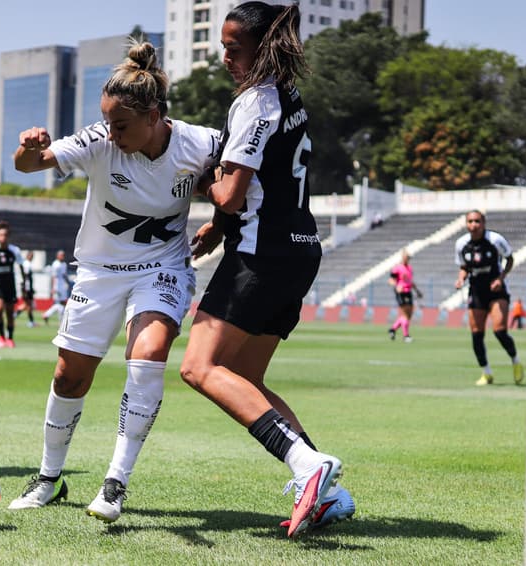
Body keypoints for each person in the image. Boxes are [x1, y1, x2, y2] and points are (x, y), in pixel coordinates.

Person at [7, 39, 221, 523]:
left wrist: (221, 222)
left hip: (162, 268)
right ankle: (48, 478)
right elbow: (29, 165)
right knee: (69, 375)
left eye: (121, 124)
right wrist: (28, 148)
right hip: (99, 272)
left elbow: (240, 174)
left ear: (154, 116)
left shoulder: (201, 143)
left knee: (147, 356)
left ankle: (115, 483)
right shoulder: (98, 141)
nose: (112, 132)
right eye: (107, 121)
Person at [178, 2, 353, 538]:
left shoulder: (255, 102)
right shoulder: (288, 95)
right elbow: (263, 181)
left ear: (261, 48)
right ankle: (329, 492)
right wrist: (219, 225)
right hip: (298, 250)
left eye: (233, 48)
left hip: (262, 255)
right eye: (222, 47)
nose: (224, 57)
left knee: (199, 367)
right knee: (247, 378)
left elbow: (232, 193)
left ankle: (307, 465)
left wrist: (199, 179)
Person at [454, 210, 524, 386]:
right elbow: (464, 266)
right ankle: (486, 373)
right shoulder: (461, 244)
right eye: (470, 221)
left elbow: (509, 259)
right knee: (476, 334)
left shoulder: (495, 240)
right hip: (476, 291)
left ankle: (515, 360)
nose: (474, 225)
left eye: (477, 221)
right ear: (466, 224)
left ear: (483, 223)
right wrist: (461, 278)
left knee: (499, 331)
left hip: (496, 291)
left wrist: (501, 278)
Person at [387, 248, 423, 343]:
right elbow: (390, 280)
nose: (408, 259)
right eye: (407, 257)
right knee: (405, 314)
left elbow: (410, 282)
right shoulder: (397, 268)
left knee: (408, 315)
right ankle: (406, 336)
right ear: (403, 257)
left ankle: (393, 329)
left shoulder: (409, 268)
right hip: (401, 292)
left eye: (409, 257)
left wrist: (417, 291)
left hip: (408, 291)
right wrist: (396, 286)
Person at [41, 249, 70, 325]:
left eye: (63, 255)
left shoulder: (64, 264)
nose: (63, 257)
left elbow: (64, 275)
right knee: (61, 303)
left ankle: (47, 315)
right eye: (61, 255)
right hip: (57, 286)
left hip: (63, 286)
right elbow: (53, 276)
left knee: (61, 303)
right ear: (57, 256)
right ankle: (60, 321)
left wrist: (68, 283)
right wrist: (53, 288)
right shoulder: (55, 264)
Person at [17, 250, 38, 328]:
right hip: (26, 288)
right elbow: (26, 277)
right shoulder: (26, 264)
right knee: (29, 305)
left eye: (32, 256)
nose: (32, 257)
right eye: (31, 256)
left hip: (27, 287)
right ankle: (31, 322)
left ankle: (14, 315)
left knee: (27, 305)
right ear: (27, 256)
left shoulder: (27, 264)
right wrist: (27, 288)